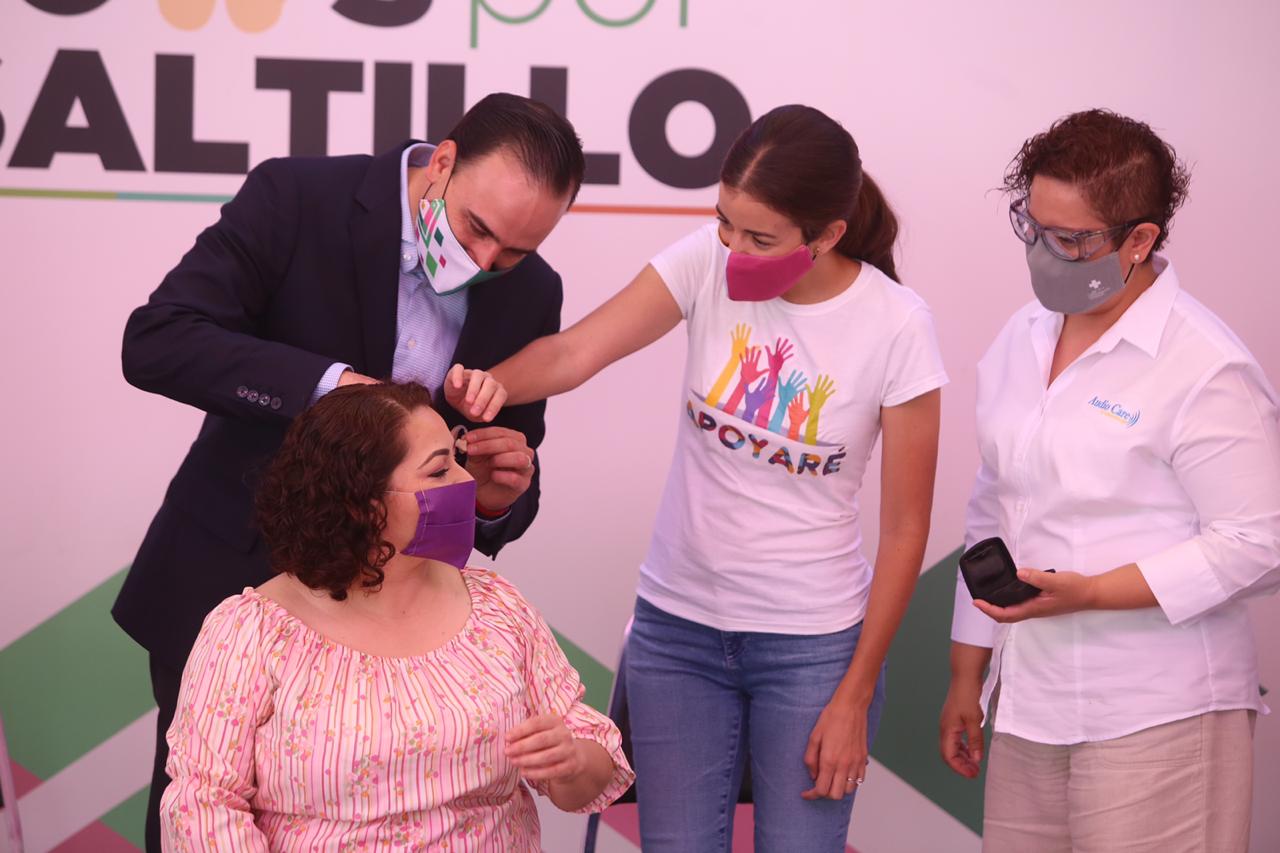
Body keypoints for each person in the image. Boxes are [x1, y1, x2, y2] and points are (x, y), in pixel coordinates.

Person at [113, 92, 581, 851]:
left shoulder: (533, 292)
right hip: (234, 577)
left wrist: (495, 500)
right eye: (476, 228)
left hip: (410, 630)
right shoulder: (298, 198)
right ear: (442, 163)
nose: (485, 261)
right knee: (205, 814)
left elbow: (507, 466)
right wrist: (330, 387)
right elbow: (159, 339)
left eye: (514, 252)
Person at [480, 105, 947, 852]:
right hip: (676, 633)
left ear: (827, 234)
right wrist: (467, 394)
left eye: (760, 238)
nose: (733, 247)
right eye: (725, 221)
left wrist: (855, 694)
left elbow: (905, 529)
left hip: (813, 648)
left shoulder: (897, 324)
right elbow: (573, 354)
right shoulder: (705, 259)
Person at [939, 109, 1280, 853]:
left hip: (1158, 710)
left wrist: (1094, 591)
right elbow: (995, 504)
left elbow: (1259, 543)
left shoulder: (1204, 364)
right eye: (1032, 227)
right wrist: (968, 670)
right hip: (1029, 703)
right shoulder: (1022, 335)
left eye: (1071, 240)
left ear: (1140, 240)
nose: (1044, 253)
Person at [160, 381, 634, 851]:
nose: (467, 482)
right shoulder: (251, 633)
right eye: (439, 471)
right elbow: (203, 806)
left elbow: (588, 773)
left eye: (457, 459)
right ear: (363, 505)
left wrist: (572, 763)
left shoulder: (498, 608)